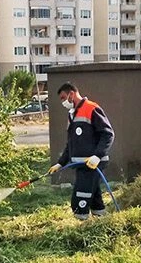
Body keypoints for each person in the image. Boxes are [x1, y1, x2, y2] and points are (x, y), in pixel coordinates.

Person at [48, 82, 115, 220]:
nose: (63, 102)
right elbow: (71, 143)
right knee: (95, 197)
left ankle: (80, 226)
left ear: (72, 94)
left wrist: (97, 156)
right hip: (82, 165)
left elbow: (108, 134)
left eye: (63, 98)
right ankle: (100, 220)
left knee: (80, 198)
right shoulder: (72, 115)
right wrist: (60, 163)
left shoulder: (92, 108)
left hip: (93, 164)